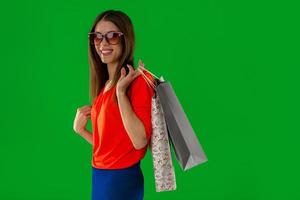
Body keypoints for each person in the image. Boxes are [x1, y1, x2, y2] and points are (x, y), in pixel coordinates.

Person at [73, 9, 155, 200]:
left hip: (121, 179)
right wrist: (82, 131)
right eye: (97, 37)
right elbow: (112, 147)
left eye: (112, 36)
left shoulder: (137, 82)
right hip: (101, 176)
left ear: (126, 39)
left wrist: (121, 93)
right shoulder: (104, 87)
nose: (103, 43)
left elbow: (139, 141)